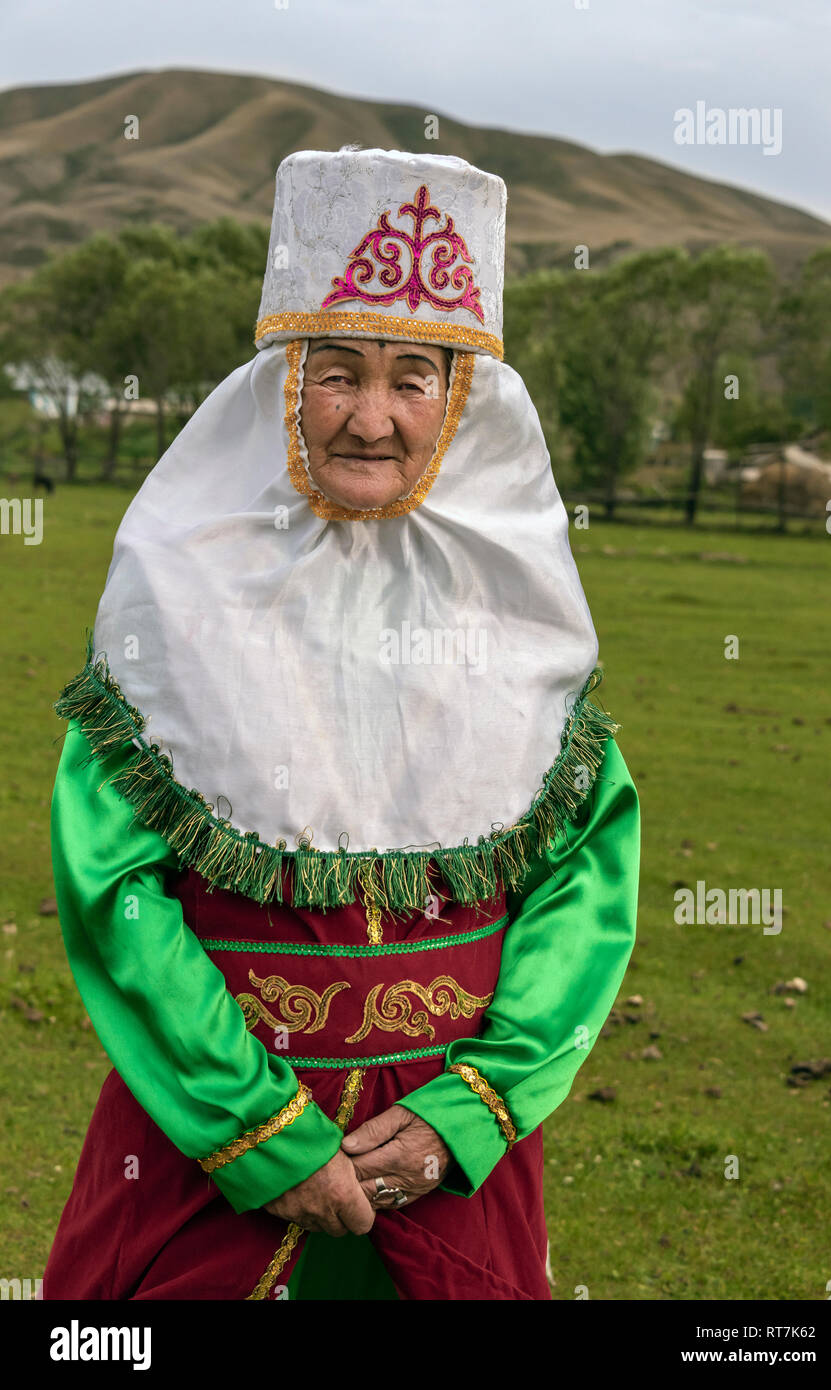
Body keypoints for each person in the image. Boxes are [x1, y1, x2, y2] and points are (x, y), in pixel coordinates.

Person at [43, 147, 640, 1301]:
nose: (372, 419)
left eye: (412, 377)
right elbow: (116, 889)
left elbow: (585, 885)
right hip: (204, 1155)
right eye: (336, 373)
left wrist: (472, 1111)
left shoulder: (520, 610)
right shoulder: (172, 594)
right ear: (281, 383)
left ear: (459, 400)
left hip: (454, 1159)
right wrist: (260, 1134)